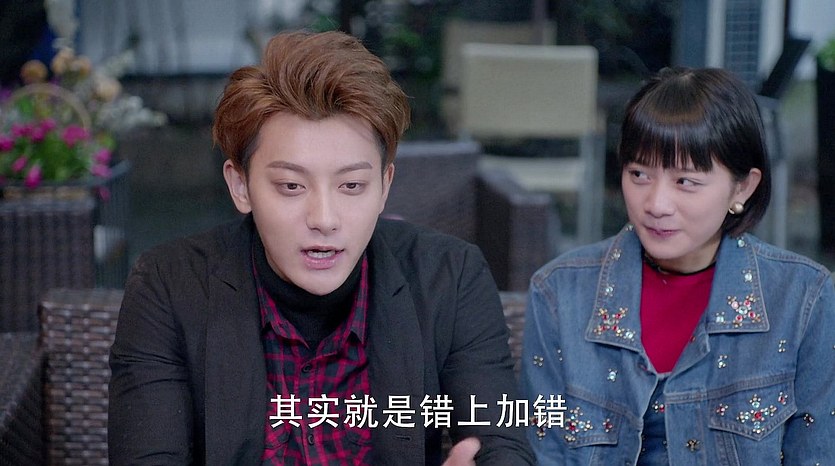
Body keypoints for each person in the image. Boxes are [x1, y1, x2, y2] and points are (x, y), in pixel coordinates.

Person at [108, 30, 533, 465]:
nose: (325, 219)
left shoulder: (451, 276)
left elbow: (501, 443)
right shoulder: (169, 286)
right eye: (291, 186)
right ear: (240, 186)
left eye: (352, 185)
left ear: (385, 185)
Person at [521, 67, 835, 464]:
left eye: (685, 181)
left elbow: (817, 453)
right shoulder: (559, 292)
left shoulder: (803, 297)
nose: (656, 204)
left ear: (743, 187)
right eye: (639, 174)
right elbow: (543, 452)